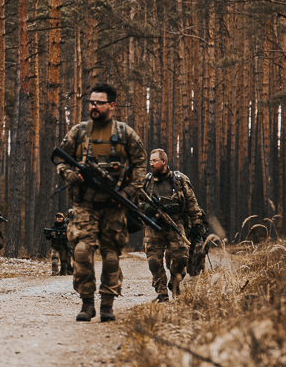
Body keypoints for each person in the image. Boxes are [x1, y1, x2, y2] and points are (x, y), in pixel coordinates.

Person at [56, 82, 145, 322]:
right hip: (85, 204)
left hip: (114, 206)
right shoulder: (79, 132)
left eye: (99, 102)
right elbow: (59, 159)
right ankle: (87, 304)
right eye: (91, 102)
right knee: (83, 251)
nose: (93, 106)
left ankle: (107, 304)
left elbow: (140, 167)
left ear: (112, 105)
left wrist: (126, 194)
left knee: (111, 256)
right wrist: (70, 174)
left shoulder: (126, 133)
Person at [139, 148, 204, 302]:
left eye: (155, 161)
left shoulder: (179, 180)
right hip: (153, 226)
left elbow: (192, 204)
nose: (152, 164)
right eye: (150, 161)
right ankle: (161, 293)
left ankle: (175, 281)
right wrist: (145, 209)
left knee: (181, 258)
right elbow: (135, 202)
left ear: (164, 162)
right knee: (154, 261)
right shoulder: (146, 182)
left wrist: (196, 225)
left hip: (176, 223)